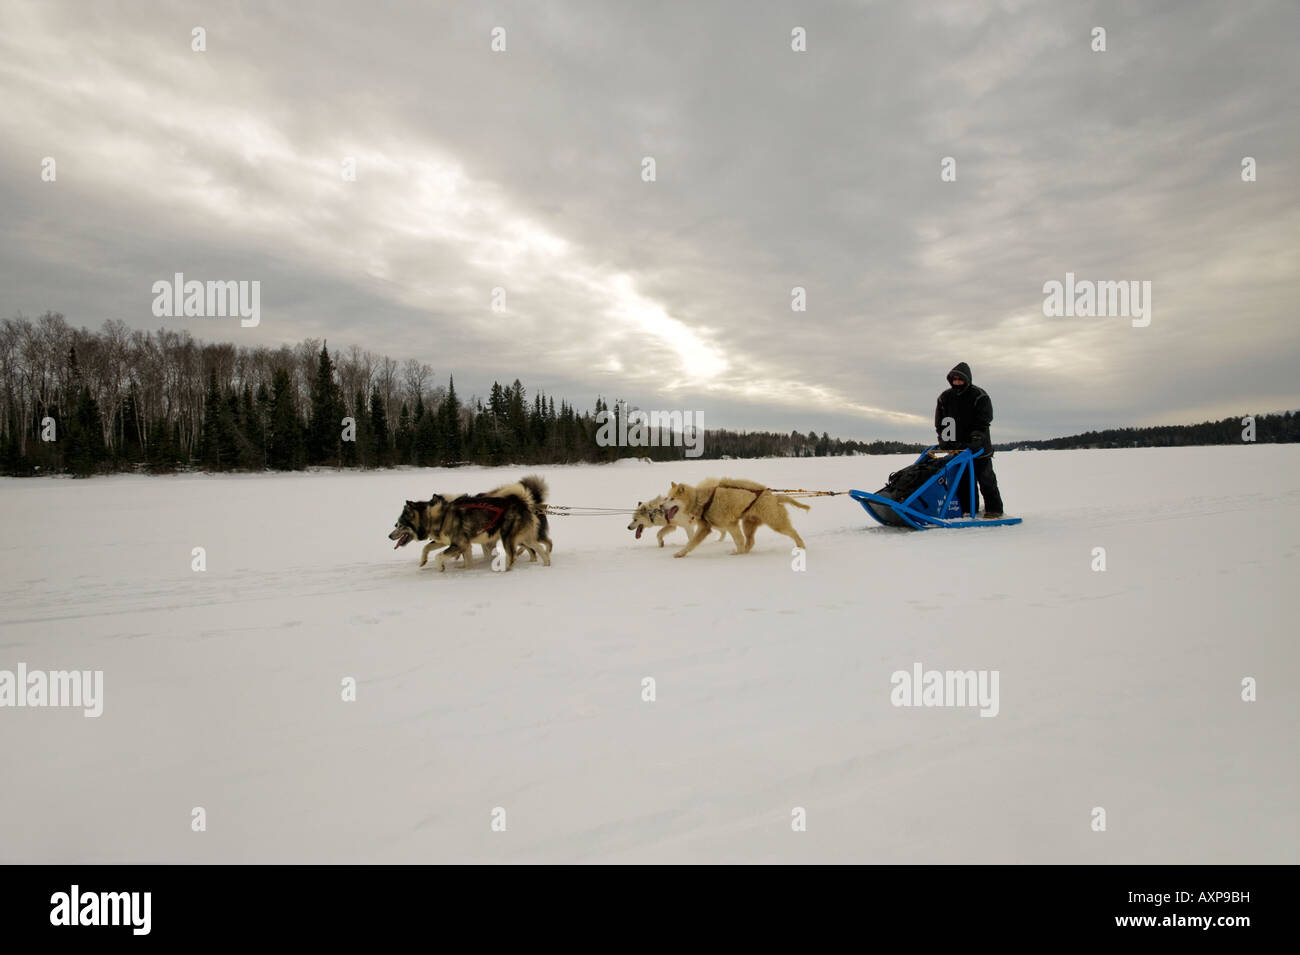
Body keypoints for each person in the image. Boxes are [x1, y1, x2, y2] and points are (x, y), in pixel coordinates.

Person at [934, 361, 1006, 518]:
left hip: (979, 448)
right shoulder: (945, 397)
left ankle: (994, 509)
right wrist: (944, 439)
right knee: (963, 481)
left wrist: (977, 437)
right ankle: (968, 509)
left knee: (986, 479)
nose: (957, 383)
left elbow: (984, 419)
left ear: (967, 379)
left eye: (960, 380)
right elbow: (942, 421)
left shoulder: (979, 395)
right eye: (954, 380)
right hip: (958, 448)